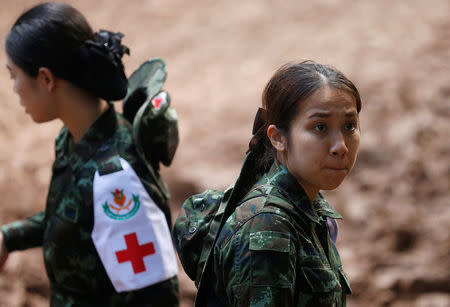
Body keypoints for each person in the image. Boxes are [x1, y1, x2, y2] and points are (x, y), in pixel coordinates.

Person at [0, 2, 179, 306]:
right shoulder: (74, 138)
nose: (14, 88)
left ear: (46, 79)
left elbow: (156, 293)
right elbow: (74, 219)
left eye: (14, 75)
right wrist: (10, 237)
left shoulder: (115, 180)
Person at [187, 61, 361, 306]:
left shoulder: (307, 208)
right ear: (278, 138)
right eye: (320, 127)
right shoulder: (268, 226)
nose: (341, 146)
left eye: (349, 126)